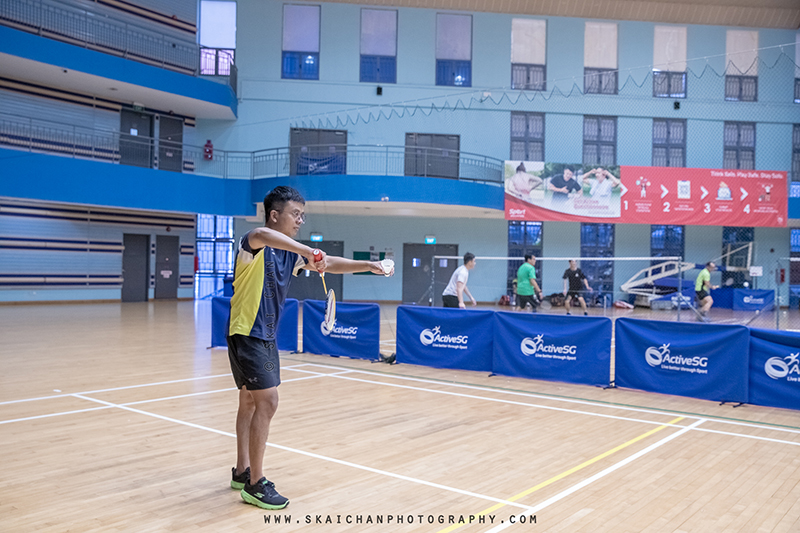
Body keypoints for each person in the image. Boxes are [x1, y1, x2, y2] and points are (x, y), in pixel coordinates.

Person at [227, 186, 392, 510]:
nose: (301, 220)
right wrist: (307, 251)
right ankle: (256, 485)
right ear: (276, 215)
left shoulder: (289, 254)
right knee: (269, 401)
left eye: (303, 215)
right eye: (295, 214)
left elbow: (328, 264)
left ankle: (242, 471)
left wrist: (369, 265)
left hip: (264, 334)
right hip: (249, 332)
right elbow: (261, 233)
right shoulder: (255, 244)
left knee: (250, 401)